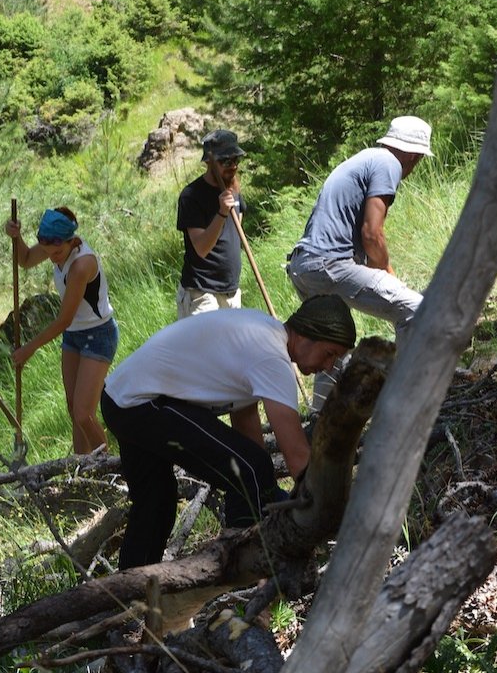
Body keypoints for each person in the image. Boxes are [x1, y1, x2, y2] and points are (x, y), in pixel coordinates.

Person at [100, 295, 356, 569]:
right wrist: (337, 511)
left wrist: (267, 493)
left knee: (157, 502)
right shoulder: (272, 357)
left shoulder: (262, 333)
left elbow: (246, 425)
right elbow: (297, 457)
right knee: (247, 471)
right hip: (141, 402)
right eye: (329, 354)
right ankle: (242, 569)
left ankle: (130, 592)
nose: (328, 366)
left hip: (120, 398)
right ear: (307, 335)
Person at [285, 115, 434, 405]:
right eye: (418, 160)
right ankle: (409, 400)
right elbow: (372, 233)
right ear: (414, 155)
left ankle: (321, 418)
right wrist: (389, 274)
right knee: (416, 310)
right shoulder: (388, 163)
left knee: (331, 342)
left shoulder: (365, 159)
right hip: (329, 264)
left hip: (304, 265)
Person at [5, 206, 118, 455]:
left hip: (98, 336)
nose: (52, 257)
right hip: (74, 337)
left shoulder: (81, 265)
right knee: (72, 408)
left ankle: (111, 467)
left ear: (72, 241)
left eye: (57, 252)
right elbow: (25, 260)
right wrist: (16, 237)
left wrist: (28, 349)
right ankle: (83, 466)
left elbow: (63, 320)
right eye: (47, 251)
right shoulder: (56, 246)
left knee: (83, 414)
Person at [176, 128, 248, 319]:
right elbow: (201, 248)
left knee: (230, 350)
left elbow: (236, 234)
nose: (232, 166)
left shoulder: (235, 191)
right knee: (202, 349)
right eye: (225, 161)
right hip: (202, 293)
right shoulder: (192, 195)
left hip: (231, 291)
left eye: (236, 160)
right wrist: (222, 212)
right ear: (209, 162)